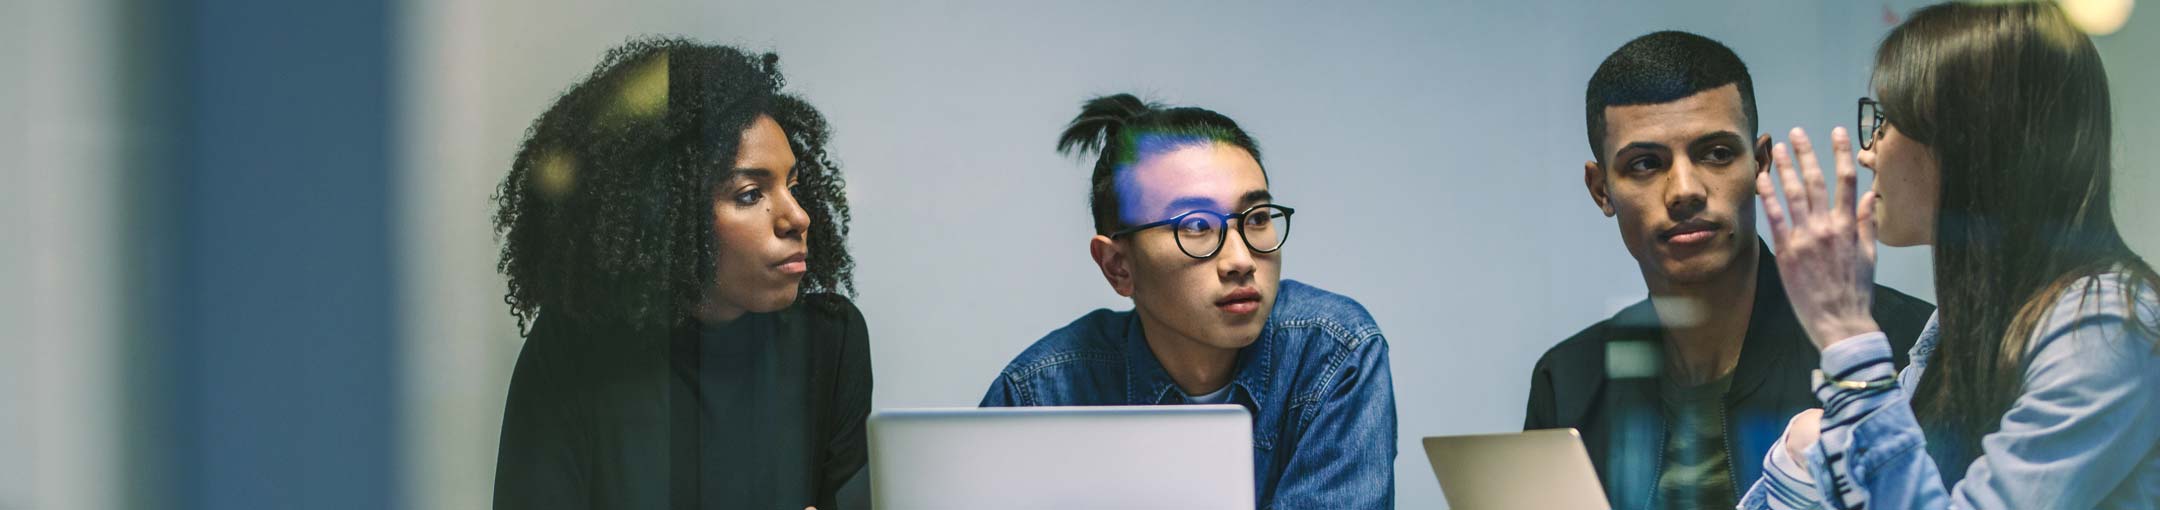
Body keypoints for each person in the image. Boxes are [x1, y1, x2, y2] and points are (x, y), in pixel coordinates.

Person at [1744, 3, 2160, 509]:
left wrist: (1847, 337)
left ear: (1967, 142)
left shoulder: (2104, 324)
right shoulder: (1969, 322)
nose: (1867, 151)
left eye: (1886, 121)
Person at [1523, 30, 1935, 510]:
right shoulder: (1569, 377)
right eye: (1644, 164)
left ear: (1760, 165)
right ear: (1601, 190)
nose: (1684, 190)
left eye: (1716, 153)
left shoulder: (1900, 346)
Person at [490, 37, 871, 510]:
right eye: (750, 193)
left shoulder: (831, 340)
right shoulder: (573, 349)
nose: (797, 217)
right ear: (668, 215)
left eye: (792, 186)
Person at [978, 93, 1397, 508]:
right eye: (1196, 225)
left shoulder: (1334, 356)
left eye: (1257, 219)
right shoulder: (1041, 394)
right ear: (1118, 266)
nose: (1241, 260)